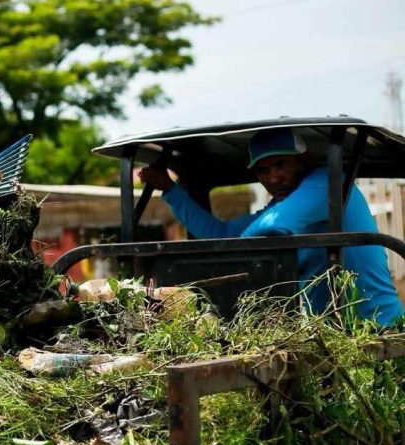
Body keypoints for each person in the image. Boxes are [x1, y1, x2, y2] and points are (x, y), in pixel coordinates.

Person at [139, 127, 404, 326]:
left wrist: (232, 270)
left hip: (376, 330)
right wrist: (170, 190)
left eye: (281, 164)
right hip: (329, 335)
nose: (273, 177)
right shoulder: (280, 206)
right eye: (263, 170)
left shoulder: (329, 181)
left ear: (304, 160)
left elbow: (273, 226)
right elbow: (221, 234)